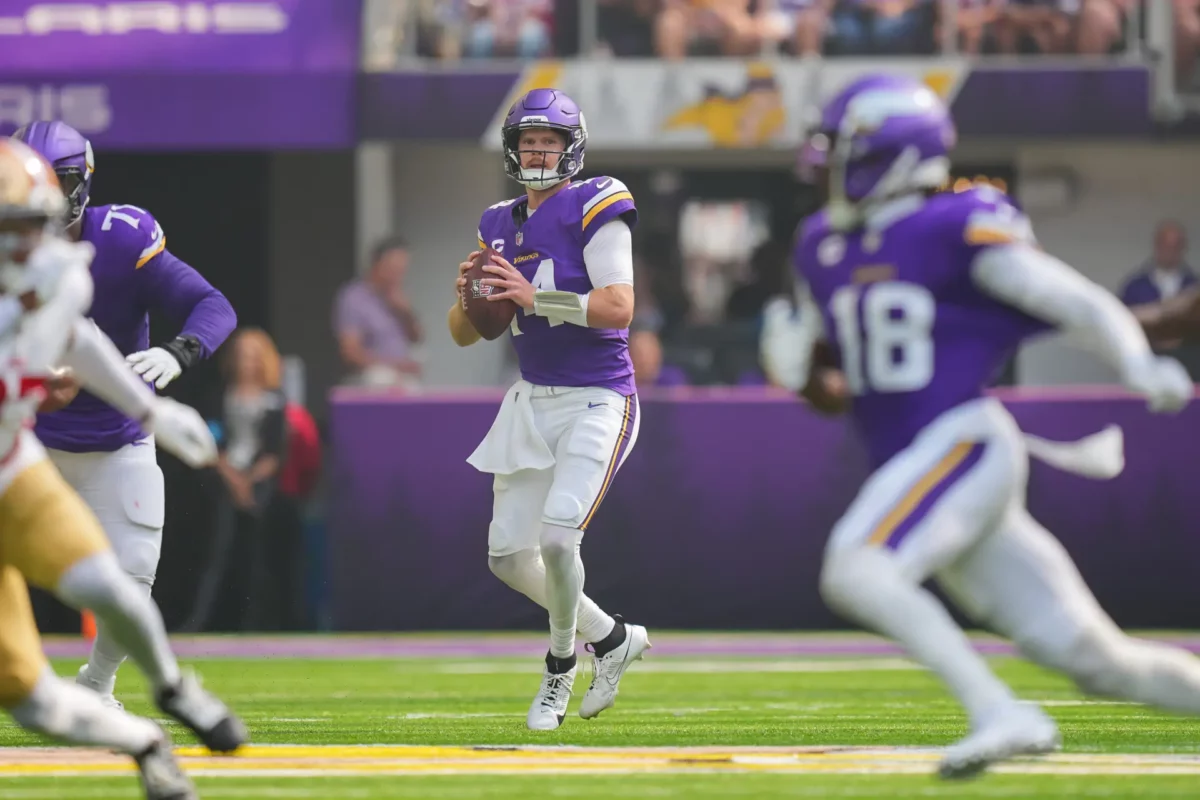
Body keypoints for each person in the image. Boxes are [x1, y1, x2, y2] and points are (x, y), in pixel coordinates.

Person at [770, 73, 1200, 779]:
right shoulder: (821, 245)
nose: (825, 165)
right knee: (1098, 660)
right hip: (924, 462)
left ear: (887, 153)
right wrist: (799, 376)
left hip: (965, 440)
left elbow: (1078, 302)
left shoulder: (956, 223)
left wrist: (1136, 363)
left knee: (859, 566)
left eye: (839, 147)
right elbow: (843, 393)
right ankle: (1013, 710)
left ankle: (1001, 712)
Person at [0, 138, 247, 800]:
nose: (26, 247)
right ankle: (146, 731)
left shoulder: (71, 266)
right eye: (8, 229)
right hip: (30, 443)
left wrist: (154, 404)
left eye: (30, 224)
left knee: (119, 583)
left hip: (24, 462)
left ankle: (165, 690)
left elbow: (79, 339)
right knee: (25, 691)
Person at [447, 88, 651, 731]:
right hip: (532, 402)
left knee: (560, 542)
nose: (538, 152)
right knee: (508, 557)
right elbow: (463, 333)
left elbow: (619, 307)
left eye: (549, 142)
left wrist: (532, 297)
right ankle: (614, 637)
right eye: (528, 142)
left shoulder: (597, 201)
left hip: (599, 397)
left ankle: (562, 664)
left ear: (571, 149)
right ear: (513, 149)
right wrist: (468, 296)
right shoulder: (496, 222)